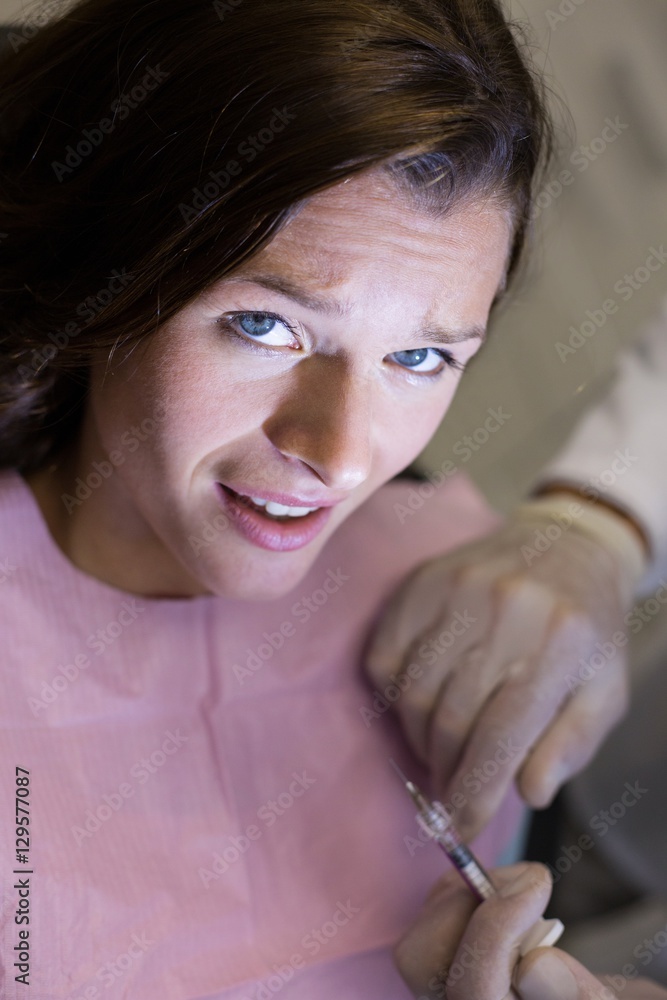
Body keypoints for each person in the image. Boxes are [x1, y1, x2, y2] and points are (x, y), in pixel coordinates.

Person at [0, 0, 555, 996]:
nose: (339, 454)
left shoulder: (467, 617)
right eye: (265, 325)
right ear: (105, 276)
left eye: (421, 356)